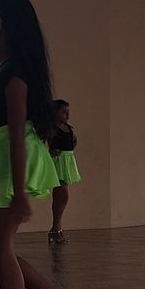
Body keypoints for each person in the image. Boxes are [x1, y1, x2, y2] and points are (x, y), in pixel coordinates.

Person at [0, 0, 77, 289]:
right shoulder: (1, 70)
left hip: (13, 157)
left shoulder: (15, 74)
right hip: (0, 156)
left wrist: (19, 192)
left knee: (0, 246)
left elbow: (17, 135)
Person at [48, 99, 81, 244]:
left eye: (68, 112)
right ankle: (56, 229)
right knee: (62, 194)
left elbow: (74, 140)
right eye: (63, 112)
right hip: (57, 163)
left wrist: (69, 154)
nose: (67, 115)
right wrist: (51, 153)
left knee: (62, 194)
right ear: (55, 113)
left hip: (66, 162)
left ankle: (56, 229)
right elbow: (42, 143)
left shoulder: (68, 128)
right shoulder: (51, 128)